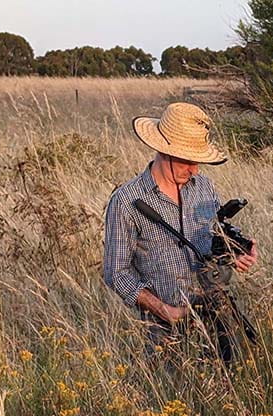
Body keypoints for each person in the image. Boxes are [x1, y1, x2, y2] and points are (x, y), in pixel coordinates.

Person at [103, 102, 257, 363]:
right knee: (173, 395)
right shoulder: (127, 201)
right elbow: (116, 273)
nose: (194, 169)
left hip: (217, 315)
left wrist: (235, 254)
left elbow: (214, 238)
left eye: (197, 161)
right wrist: (163, 310)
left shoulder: (204, 187)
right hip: (165, 331)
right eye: (187, 160)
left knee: (231, 383)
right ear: (163, 151)